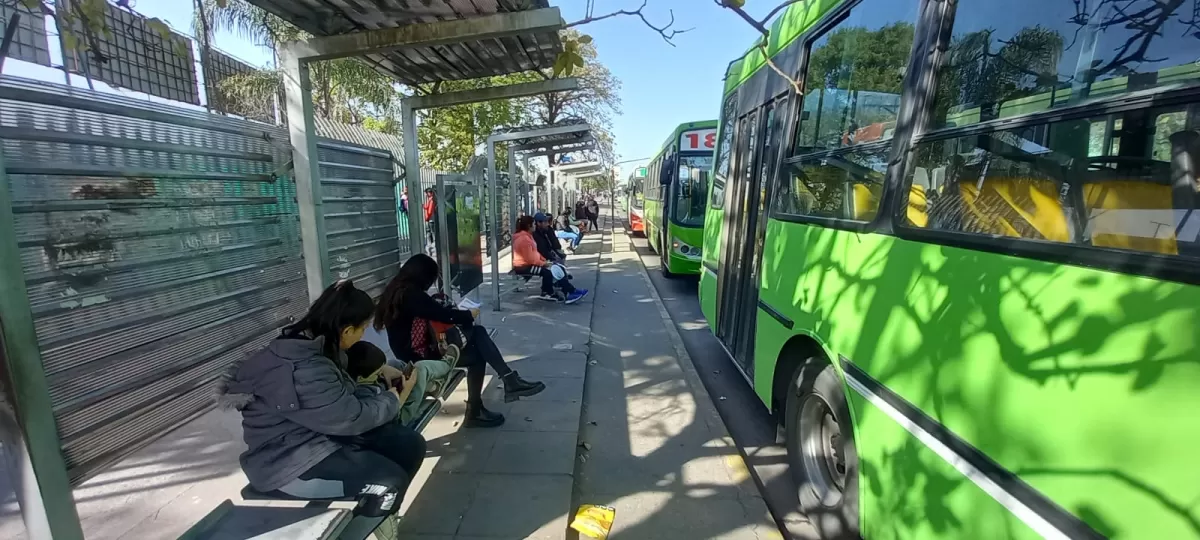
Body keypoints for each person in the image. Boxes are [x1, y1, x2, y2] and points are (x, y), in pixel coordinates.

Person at [217, 281, 424, 530]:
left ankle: (381, 518)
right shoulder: (305, 368)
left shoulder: (313, 344)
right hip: (287, 465)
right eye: (363, 328)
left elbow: (340, 399)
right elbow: (351, 418)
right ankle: (373, 521)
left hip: (320, 439)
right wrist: (394, 398)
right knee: (388, 483)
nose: (363, 335)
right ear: (347, 330)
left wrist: (382, 389)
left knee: (409, 445)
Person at [375, 254, 546, 428]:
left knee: (477, 351)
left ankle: (490, 397)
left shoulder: (396, 290)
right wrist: (468, 315)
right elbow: (444, 315)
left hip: (414, 352)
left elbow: (433, 312)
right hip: (420, 358)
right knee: (478, 335)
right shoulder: (410, 294)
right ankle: (503, 385)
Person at [347, 341, 457, 427]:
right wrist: (407, 390)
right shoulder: (364, 394)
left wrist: (385, 370)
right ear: (361, 378)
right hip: (398, 417)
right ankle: (447, 364)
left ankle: (431, 386)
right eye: (377, 372)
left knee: (395, 363)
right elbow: (388, 415)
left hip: (390, 396)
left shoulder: (361, 377)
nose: (381, 373)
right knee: (420, 369)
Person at [513, 216, 588, 304]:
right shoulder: (524, 239)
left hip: (528, 263)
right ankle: (549, 292)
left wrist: (544, 261)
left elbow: (535, 254)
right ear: (529, 226)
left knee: (557, 267)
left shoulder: (528, 236)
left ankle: (570, 291)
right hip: (523, 266)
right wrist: (544, 263)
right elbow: (531, 259)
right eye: (533, 224)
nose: (535, 226)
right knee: (549, 271)